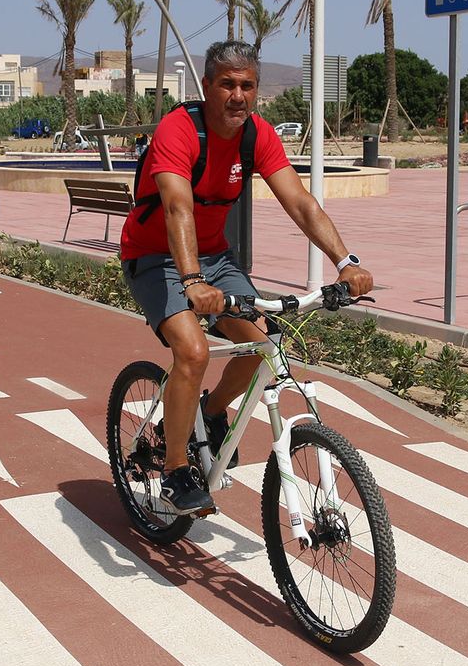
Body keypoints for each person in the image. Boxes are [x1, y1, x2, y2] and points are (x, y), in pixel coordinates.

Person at [119, 40, 373, 516]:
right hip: (155, 257)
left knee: (264, 348)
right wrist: (192, 281)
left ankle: (211, 412)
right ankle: (175, 470)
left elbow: (300, 202)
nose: (238, 96)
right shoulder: (179, 129)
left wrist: (346, 261)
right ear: (207, 87)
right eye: (227, 84)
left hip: (214, 257)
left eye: (247, 85)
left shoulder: (258, 134)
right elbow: (177, 208)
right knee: (193, 352)